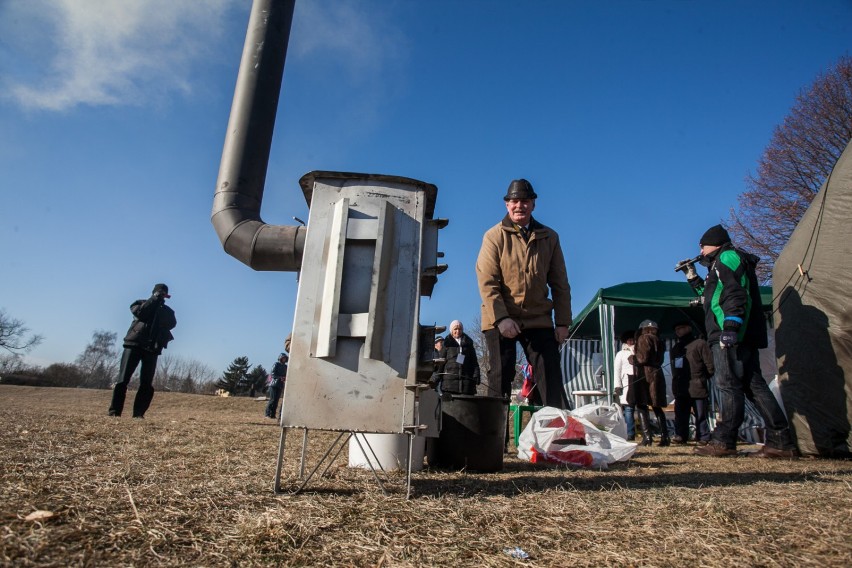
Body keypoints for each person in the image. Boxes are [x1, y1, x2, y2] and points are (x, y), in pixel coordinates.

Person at [687, 224, 798, 458]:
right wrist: (693, 278)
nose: (701, 251)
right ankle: (780, 440)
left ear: (714, 243)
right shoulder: (720, 263)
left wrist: (731, 326)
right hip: (738, 333)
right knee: (753, 386)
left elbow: (736, 293)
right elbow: (712, 297)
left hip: (730, 334)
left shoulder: (727, 256)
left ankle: (724, 440)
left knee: (728, 385)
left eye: (703, 246)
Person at [476, 179, 572, 408]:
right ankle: (494, 441)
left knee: (550, 375)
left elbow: (560, 284)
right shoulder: (493, 236)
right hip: (499, 316)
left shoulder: (550, 237)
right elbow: (487, 280)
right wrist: (501, 318)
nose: (520, 206)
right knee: (500, 376)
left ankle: (555, 437)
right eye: (515, 201)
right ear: (507, 204)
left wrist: (563, 322)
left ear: (533, 204)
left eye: (525, 201)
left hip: (538, 316)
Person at [108, 283, 177, 418]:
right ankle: (114, 412)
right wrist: (154, 300)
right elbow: (141, 313)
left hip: (152, 348)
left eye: (164, 293)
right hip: (134, 344)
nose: (161, 295)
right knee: (122, 380)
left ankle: (138, 414)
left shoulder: (168, 311)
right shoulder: (140, 303)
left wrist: (159, 307)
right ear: (154, 292)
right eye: (159, 292)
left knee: (146, 384)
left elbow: (171, 324)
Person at [669, 322, 714, 445]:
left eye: (681, 327)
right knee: (681, 414)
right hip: (681, 386)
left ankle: (703, 436)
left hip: (697, 384)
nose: (678, 331)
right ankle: (680, 435)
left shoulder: (700, 344)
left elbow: (710, 365)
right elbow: (674, 368)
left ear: (688, 328)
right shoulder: (676, 348)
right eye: (676, 329)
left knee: (700, 414)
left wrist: (702, 377)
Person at [634, 320, 671, 446]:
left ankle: (647, 438)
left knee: (641, 405)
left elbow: (642, 358)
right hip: (657, 372)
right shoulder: (659, 340)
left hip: (645, 374)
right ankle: (665, 437)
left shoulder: (643, 338)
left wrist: (632, 359)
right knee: (657, 406)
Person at [433, 320, 481, 395]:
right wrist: (436, 379)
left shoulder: (468, 344)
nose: (458, 331)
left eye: (460, 329)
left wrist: (476, 375)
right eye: (455, 329)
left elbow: (474, 362)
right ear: (451, 330)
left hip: (467, 385)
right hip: (449, 385)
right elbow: (441, 363)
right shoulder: (446, 344)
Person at [613, 330, 637, 440]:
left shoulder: (639, 351)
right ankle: (630, 433)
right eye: (629, 340)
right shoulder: (621, 354)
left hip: (639, 382)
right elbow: (617, 370)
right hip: (627, 382)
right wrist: (617, 385)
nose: (631, 341)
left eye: (633, 339)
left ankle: (646, 434)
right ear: (625, 341)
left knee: (641, 407)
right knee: (628, 408)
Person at [265, 352, 288, 419]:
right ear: (280, 358)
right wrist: (280, 377)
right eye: (283, 358)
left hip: (280, 384)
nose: (284, 359)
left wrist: (284, 378)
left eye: (285, 358)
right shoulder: (276, 364)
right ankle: (267, 413)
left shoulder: (285, 366)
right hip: (274, 384)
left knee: (276, 400)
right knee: (272, 399)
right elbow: (273, 374)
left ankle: (273, 414)